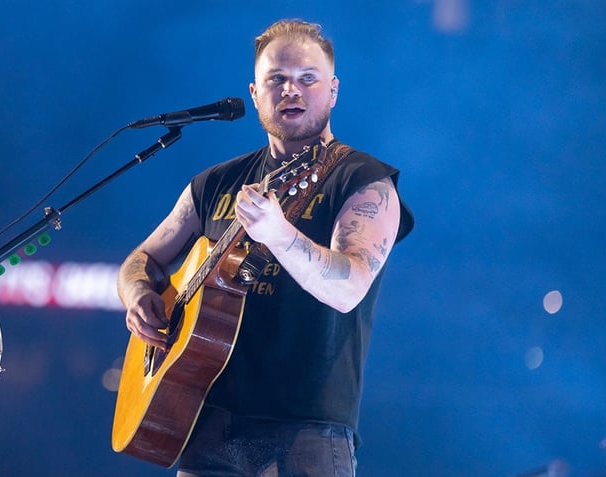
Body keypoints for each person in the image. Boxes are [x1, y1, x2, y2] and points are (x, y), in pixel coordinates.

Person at [117, 18, 414, 477]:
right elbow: (141, 260)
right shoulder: (214, 183)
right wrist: (138, 294)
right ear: (254, 93)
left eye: (307, 79)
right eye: (276, 79)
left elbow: (349, 286)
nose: (291, 90)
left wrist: (279, 234)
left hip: (306, 435)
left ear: (332, 91)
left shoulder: (364, 181)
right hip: (205, 426)